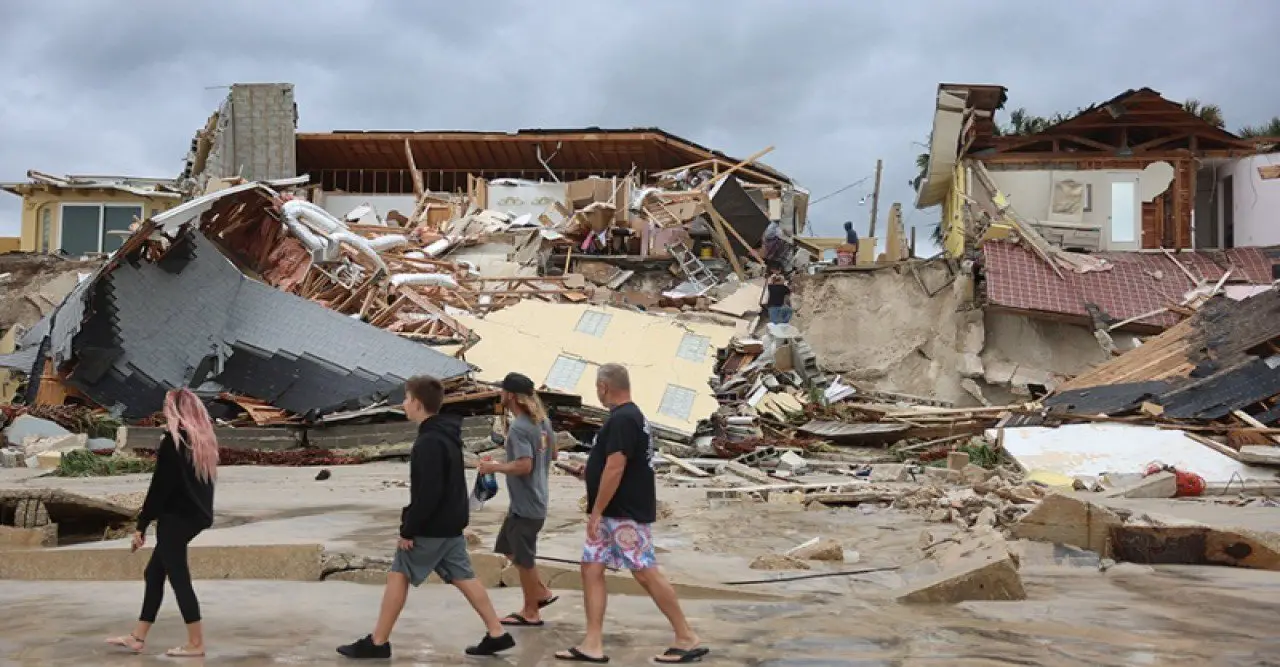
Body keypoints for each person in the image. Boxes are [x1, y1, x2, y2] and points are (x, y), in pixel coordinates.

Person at [337, 375, 515, 659]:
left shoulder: (429, 442)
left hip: (431, 527)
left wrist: (408, 530)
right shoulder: (446, 435)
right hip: (451, 523)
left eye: (407, 399)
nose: (403, 404)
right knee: (464, 577)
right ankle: (497, 632)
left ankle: (378, 642)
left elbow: (428, 494)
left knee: (398, 574)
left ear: (418, 404)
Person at [555, 364, 708, 664]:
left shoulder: (624, 419)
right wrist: (589, 473)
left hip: (622, 512)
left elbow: (616, 465)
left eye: (597, 388)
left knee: (644, 571)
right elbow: (612, 464)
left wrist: (596, 510)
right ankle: (592, 643)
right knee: (591, 568)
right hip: (614, 510)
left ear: (603, 386)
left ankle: (686, 635)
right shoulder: (627, 417)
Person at [105, 388, 218, 658]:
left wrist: (141, 525)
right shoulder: (202, 440)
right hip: (196, 516)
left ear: (174, 410)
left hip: (176, 517)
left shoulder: (174, 441)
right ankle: (137, 637)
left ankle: (196, 643)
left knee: (179, 577)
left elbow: (160, 488)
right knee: (154, 573)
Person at [477, 372, 558, 627]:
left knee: (524, 558)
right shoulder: (542, 423)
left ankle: (530, 611)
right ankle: (541, 592)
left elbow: (524, 466)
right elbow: (553, 454)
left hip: (528, 505)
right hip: (532, 501)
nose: (500, 394)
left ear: (509, 395)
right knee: (506, 547)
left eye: (502, 391)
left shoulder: (520, 428)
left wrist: (495, 468)